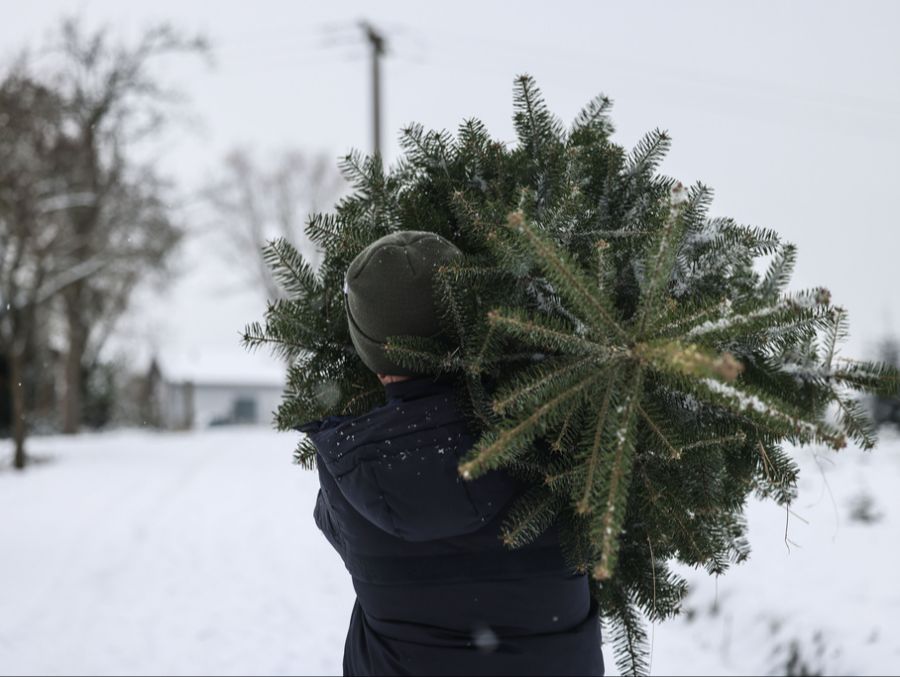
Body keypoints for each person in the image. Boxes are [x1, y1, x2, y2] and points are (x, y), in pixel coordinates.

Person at [297, 231, 605, 676]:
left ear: (369, 351)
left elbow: (331, 524)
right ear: (473, 320)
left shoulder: (347, 468)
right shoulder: (563, 432)